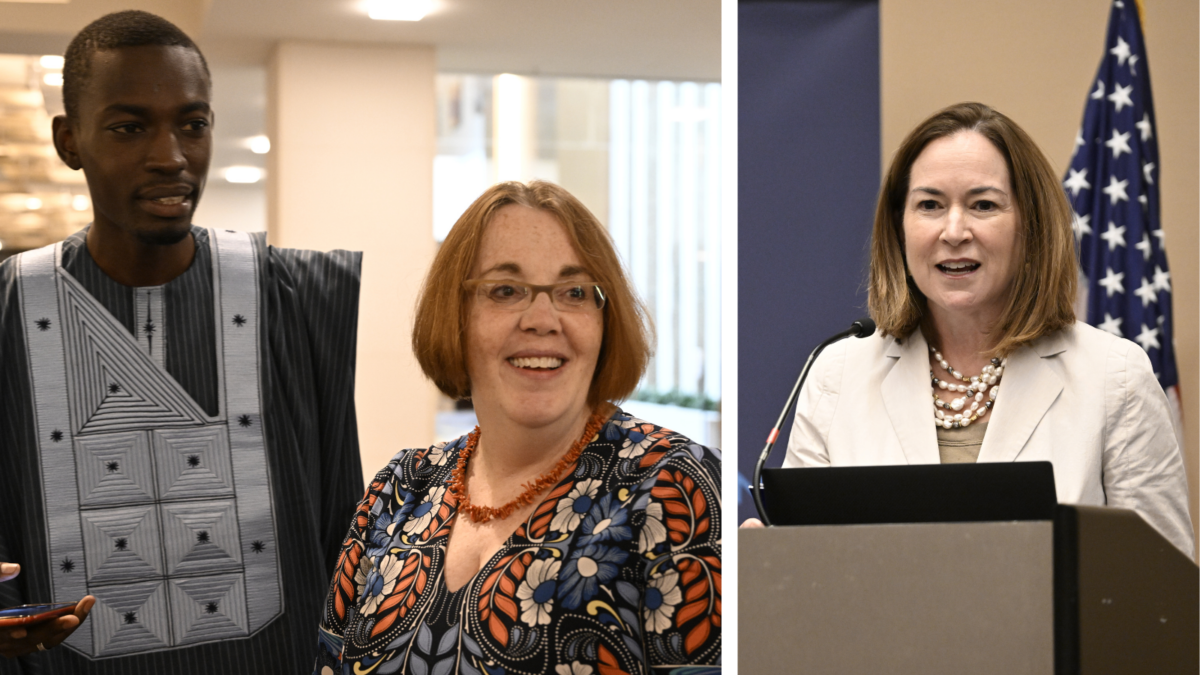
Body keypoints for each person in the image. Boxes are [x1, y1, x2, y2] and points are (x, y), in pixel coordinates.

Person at [0, 10, 364, 671]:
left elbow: (347, 535)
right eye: (129, 126)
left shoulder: (298, 299)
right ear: (68, 140)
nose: (170, 156)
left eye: (192, 125)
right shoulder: (7, 309)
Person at [741, 102, 1193, 558]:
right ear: (900, 227)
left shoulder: (1114, 377)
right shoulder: (836, 374)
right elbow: (808, 574)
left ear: (1030, 225)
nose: (954, 230)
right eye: (930, 205)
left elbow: (1162, 594)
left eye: (983, 204)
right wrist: (771, 567)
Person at [312, 181, 724, 674]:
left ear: (605, 318)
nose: (543, 319)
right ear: (455, 315)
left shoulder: (674, 488)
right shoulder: (399, 488)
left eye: (574, 291)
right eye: (506, 290)